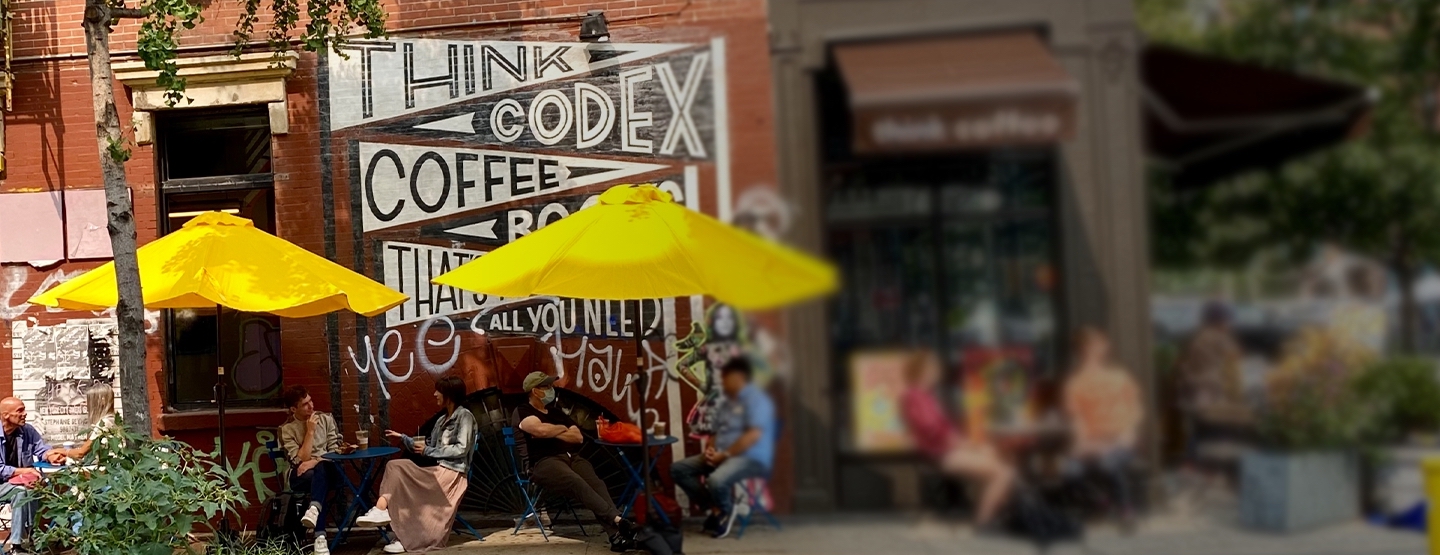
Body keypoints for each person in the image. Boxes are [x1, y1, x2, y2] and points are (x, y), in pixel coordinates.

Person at [513, 371, 634, 551]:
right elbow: (538, 430)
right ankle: (617, 520)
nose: (551, 389)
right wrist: (561, 430)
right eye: (546, 386)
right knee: (576, 482)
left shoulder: (554, 411)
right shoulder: (523, 411)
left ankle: (615, 536)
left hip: (571, 457)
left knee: (597, 484)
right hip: (543, 463)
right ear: (535, 391)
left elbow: (577, 437)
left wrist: (555, 429)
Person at [355, 376, 475, 554]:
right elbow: (428, 444)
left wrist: (428, 451)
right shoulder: (442, 419)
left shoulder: (464, 416)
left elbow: (461, 449)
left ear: (449, 394)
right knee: (396, 467)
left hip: (451, 475)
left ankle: (388, 518)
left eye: (438, 391)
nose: (435, 394)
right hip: (437, 471)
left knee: (397, 469)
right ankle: (389, 519)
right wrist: (404, 438)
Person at [898, 352, 1015, 529]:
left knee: (994, 457)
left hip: (943, 451)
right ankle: (985, 520)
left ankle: (998, 510)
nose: (937, 371)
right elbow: (933, 431)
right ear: (923, 371)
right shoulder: (916, 396)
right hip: (940, 455)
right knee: (1003, 473)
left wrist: (970, 445)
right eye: (933, 367)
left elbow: (940, 430)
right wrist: (965, 445)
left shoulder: (923, 395)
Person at [671, 357, 776, 538]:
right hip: (722, 454)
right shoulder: (727, 401)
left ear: (739, 376)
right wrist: (711, 450)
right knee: (678, 469)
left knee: (716, 480)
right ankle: (715, 509)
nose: (723, 380)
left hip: (749, 458)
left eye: (726, 376)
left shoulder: (757, 400)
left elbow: (752, 437)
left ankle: (725, 511)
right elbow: (716, 432)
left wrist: (724, 455)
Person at [1062, 327, 1143, 525]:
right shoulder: (1074, 384)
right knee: (1069, 471)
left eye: (1103, 344)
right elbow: (1078, 420)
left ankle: (1125, 507)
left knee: (1108, 462)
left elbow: (1136, 408)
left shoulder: (1120, 376)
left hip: (1120, 438)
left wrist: (1129, 432)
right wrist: (1081, 445)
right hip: (1094, 441)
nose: (1105, 347)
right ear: (1086, 349)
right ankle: (1101, 502)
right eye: (1099, 344)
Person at [278, 386, 352, 555]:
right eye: (305, 404)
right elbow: (300, 460)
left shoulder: (326, 419)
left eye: (310, 400)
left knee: (321, 472)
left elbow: (335, 452)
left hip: (328, 470)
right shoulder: (286, 429)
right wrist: (310, 431)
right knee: (319, 479)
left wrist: (315, 462)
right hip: (300, 476)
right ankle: (318, 529)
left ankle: (317, 523)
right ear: (293, 409)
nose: (311, 406)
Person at [0, 398, 64, 554]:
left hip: (20, 484)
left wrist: (51, 456)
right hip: (3, 484)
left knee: (37, 489)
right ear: (6, 415)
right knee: (22, 491)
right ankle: (17, 545)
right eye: (20, 411)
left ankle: (34, 538)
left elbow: (41, 449)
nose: (25, 414)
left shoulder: (27, 431)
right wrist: (24, 472)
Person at [54, 384, 117, 461]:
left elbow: (80, 453)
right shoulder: (113, 419)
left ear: (102, 401)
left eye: (91, 400)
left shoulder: (104, 423)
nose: (87, 404)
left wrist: (56, 451)